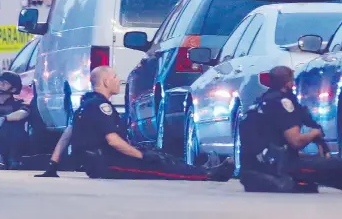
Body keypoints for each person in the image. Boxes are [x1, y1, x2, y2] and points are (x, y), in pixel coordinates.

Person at [35, 66, 235, 181]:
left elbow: (68, 133)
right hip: (107, 163)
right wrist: (141, 156)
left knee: (159, 156)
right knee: (159, 167)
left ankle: (203, 169)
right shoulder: (99, 106)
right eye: (114, 77)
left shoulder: (87, 104)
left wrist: (53, 165)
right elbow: (113, 140)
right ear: (105, 82)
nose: (119, 81)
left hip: (104, 160)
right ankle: (208, 175)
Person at [239, 66, 342, 194]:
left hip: (258, 169)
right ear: (288, 83)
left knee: (319, 163)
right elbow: (295, 141)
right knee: (339, 167)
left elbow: (272, 144)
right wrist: (314, 133)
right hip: (279, 169)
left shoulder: (260, 103)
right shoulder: (283, 103)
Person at [0, 71, 31, 170]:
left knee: (15, 129)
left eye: (5, 83)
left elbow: (24, 112)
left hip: (9, 144)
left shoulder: (17, 104)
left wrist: (3, 119)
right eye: (0, 81)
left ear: (14, 88)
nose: (1, 84)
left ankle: (14, 161)